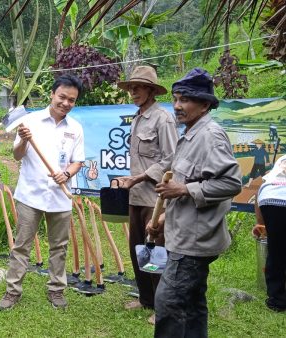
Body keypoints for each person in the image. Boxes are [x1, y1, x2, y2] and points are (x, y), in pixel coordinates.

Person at [151, 68, 242, 337]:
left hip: (194, 239)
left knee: (168, 303)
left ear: (204, 104)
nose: (177, 106)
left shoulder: (209, 136)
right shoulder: (190, 133)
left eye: (185, 100)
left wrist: (183, 189)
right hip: (184, 231)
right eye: (176, 99)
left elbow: (231, 183)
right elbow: (190, 185)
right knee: (192, 303)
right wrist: (163, 217)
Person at [0, 74, 85, 310]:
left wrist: (66, 174)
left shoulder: (75, 128)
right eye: (62, 97)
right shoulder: (30, 122)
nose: (66, 103)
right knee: (22, 246)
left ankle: (56, 290)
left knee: (59, 247)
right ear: (52, 95)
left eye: (72, 100)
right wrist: (24, 141)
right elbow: (17, 155)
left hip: (60, 197)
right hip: (30, 194)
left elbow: (78, 162)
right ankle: (12, 291)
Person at [115, 65, 179, 324]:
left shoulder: (163, 118)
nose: (133, 92)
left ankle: (161, 308)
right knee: (138, 249)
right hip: (135, 196)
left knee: (156, 251)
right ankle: (145, 299)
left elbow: (172, 158)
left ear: (151, 90)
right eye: (131, 87)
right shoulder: (138, 117)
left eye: (139, 87)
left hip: (156, 198)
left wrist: (140, 177)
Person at [252, 155, 286, 312]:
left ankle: (277, 300)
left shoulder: (280, 162)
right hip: (276, 197)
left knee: (276, 249)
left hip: (270, 198)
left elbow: (260, 191)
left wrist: (261, 224)